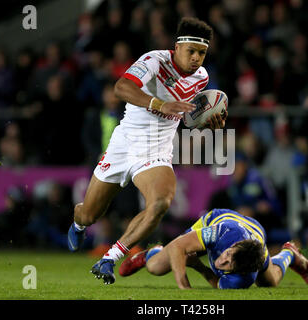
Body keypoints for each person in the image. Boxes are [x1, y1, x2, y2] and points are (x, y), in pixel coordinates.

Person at [67, 17, 227, 285]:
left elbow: (189, 117)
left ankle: (109, 258)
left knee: (161, 203)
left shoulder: (202, 79)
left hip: (156, 150)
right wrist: (159, 104)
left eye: (202, 53)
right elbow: (121, 87)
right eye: (192, 51)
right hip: (124, 144)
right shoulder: (155, 60)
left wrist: (209, 124)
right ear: (177, 47)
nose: (197, 58)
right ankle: (79, 223)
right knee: (90, 213)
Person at [118, 208, 308, 289]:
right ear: (234, 246)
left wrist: (198, 266)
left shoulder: (244, 278)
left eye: (229, 264)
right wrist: (184, 287)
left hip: (257, 237)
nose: (222, 261)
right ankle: (152, 253)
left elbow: (219, 282)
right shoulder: (221, 233)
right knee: (157, 268)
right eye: (228, 255)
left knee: (270, 282)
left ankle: (289, 252)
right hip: (219, 219)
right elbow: (179, 246)